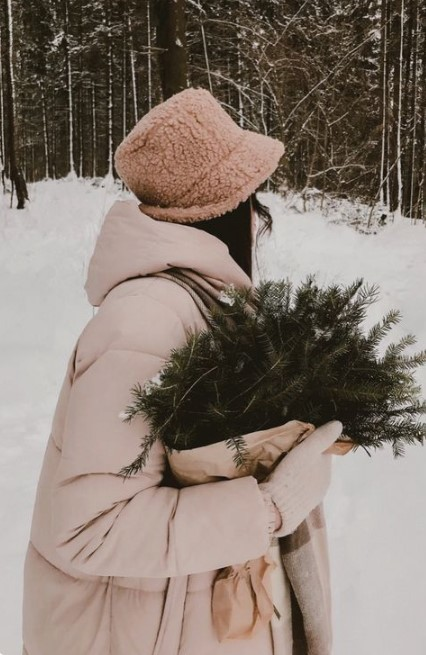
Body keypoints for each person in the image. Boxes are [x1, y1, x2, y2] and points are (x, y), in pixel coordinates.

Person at [22, 87, 342, 655]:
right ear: (224, 211)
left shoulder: (206, 306)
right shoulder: (141, 324)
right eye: (253, 201)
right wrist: (268, 507)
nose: (259, 220)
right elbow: (91, 528)